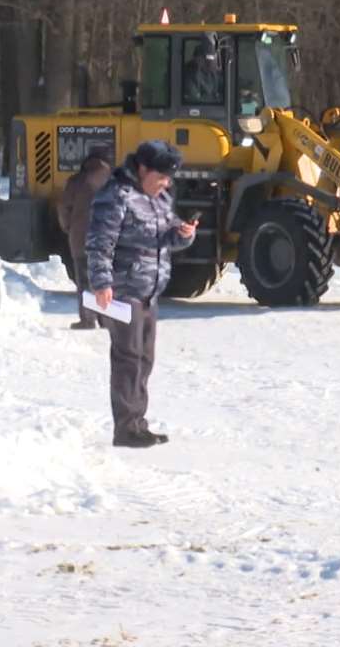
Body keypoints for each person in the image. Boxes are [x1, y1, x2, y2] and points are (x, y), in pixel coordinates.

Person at [85, 140, 197, 448]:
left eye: (169, 178)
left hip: (150, 291)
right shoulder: (117, 196)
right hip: (123, 291)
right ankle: (125, 428)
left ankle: (138, 422)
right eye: (161, 176)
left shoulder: (159, 198)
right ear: (143, 168)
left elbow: (167, 238)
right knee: (128, 358)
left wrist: (183, 234)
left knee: (145, 359)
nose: (166, 183)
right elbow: (99, 242)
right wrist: (102, 282)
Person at [56, 146, 113, 329]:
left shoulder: (76, 181)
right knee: (105, 278)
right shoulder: (114, 182)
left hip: (81, 238)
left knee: (84, 278)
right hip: (108, 240)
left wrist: (68, 227)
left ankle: (88, 320)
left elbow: (64, 207)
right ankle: (107, 318)